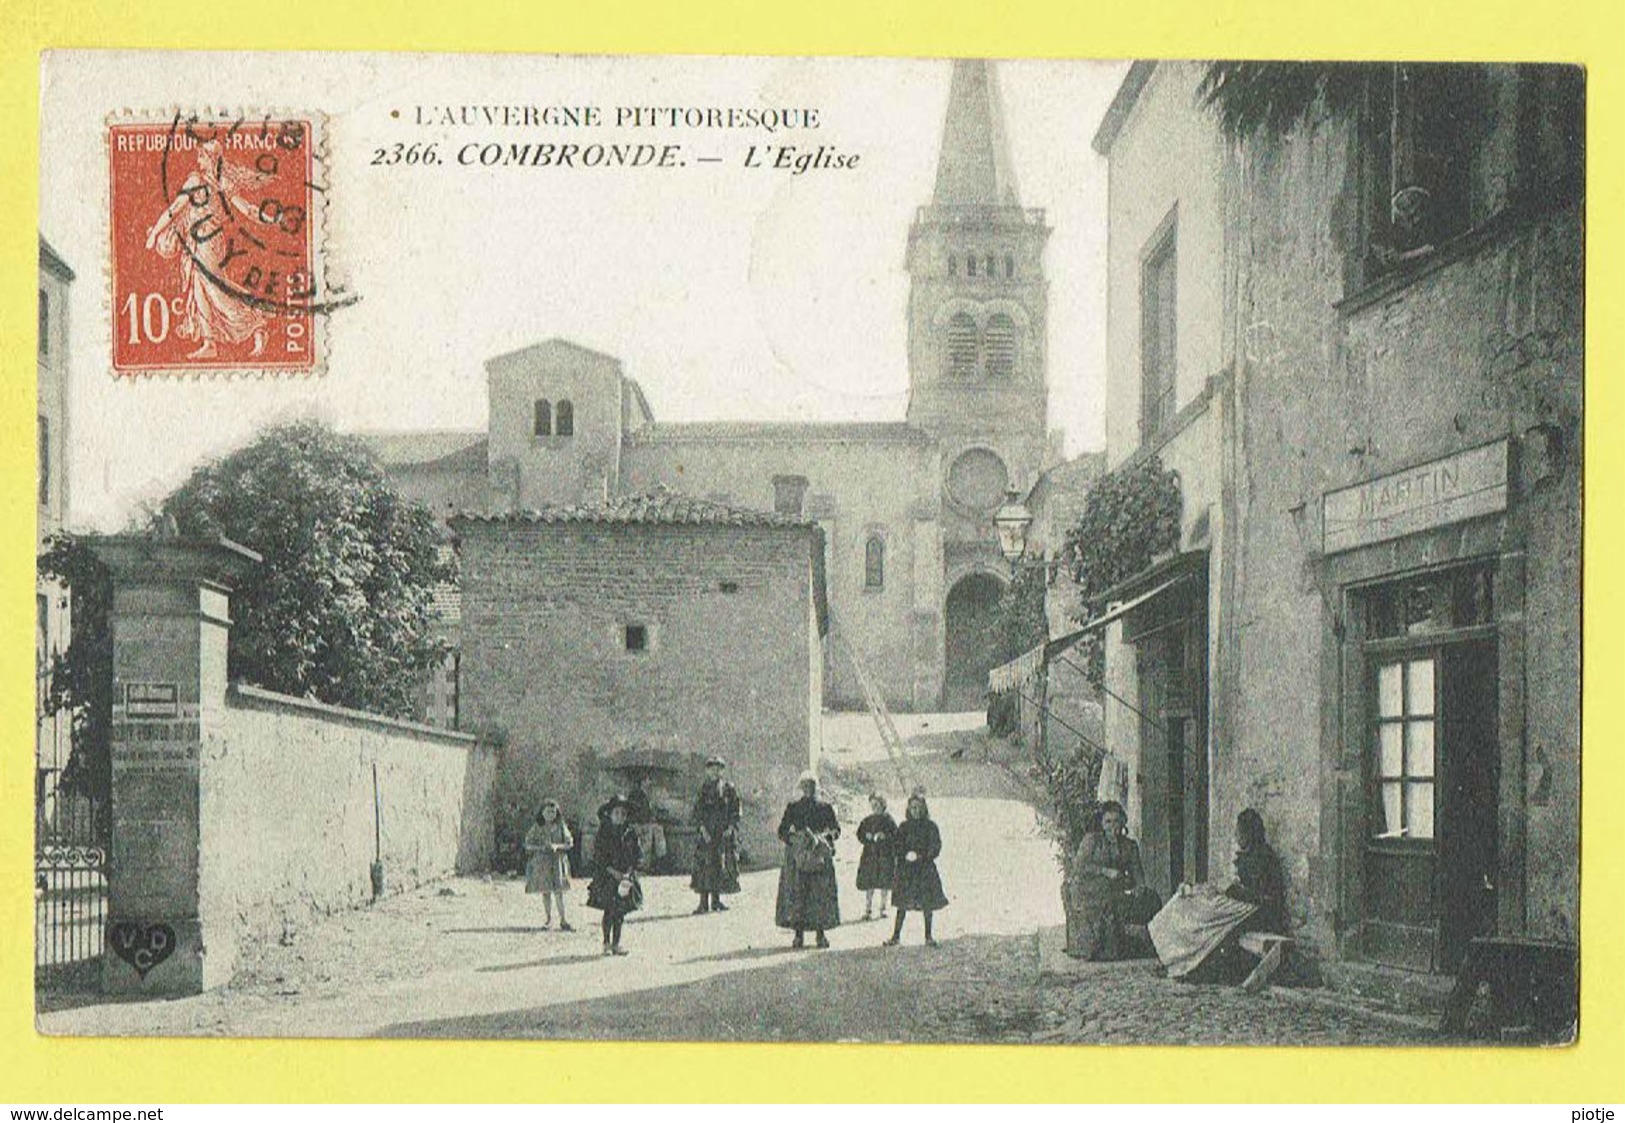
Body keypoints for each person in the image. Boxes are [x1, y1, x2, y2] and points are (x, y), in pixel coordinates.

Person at [144, 136, 270, 359]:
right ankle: (209, 342)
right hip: (198, 242)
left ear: (212, 159)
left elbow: (247, 210)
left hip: (209, 242)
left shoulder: (214, 184)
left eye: (202, 156)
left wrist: (267, 218)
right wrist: (155, 232)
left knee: (216, 289)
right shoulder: (202, 181)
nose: (198, 160)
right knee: (199, 287)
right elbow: (176, 210)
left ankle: (256, 321)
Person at [1147, 807, 1288, 981]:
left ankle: (1188, 964)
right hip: (1244, 904)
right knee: (1193, 904)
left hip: (1258, 911)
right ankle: (1173, 960)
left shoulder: (1264, 857)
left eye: (1240, 832)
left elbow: (1260, 896)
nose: (1236, 837)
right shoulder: (1249, 855)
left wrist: (1229, 891)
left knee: (1206, 916)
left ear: (1250, 833)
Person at [1065, 800, 1162, 961]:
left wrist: (1139, 888)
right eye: (1108, 822)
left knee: (1152, 898)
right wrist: (1104, 871)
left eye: (1116, 821)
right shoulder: (1092, 841)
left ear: (1123, 822)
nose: (1113, 826)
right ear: (1101, 824)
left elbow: (1138, 875)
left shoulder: (1129, 846)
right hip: (1090, 894)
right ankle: (1107, 945)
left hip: (1116, 894)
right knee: (1108, 899)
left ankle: (1156, 944)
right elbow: (1078, 867)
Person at [774, 771, 840, 948]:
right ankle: (798, 935)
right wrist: (797, 839)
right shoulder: (793, 807)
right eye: (806, 786)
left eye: (812, 786)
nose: (809, 789)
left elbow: (836, 830)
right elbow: (782, 831)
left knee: (819, 895)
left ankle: (820, 935)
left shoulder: (826, 808)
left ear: (816, 787)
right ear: (801, 788)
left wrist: (824, 838)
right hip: (798, 858)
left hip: (819, 855)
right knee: (798, 894)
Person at [885, 791, 949, 946]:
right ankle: (895, 936)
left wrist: (922, 856)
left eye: (919, 807)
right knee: (902, 904)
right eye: (913, 808)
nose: (916, 811)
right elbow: (896, 845)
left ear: (924, 809)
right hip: (906, 870)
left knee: (927, 903)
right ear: (908, 809)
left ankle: (928, 936)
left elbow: (936, 846)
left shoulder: (931, 826)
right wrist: (904, 855)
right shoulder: (903, 827)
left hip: (924, 869)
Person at [586, 795, 643, 956]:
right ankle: (606, 942)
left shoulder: (631, 834)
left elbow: (638, 855)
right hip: (608, 877)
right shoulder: (603, 834)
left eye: (623, 814)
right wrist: (612, 872)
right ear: (610, 815)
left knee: (620, 912)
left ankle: (617, 943)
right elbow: (599, 857)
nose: (620, 817)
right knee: (609, 910)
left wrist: (630, 872)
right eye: (616, 813)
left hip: (625, 878)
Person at [690, 755, 741, 914]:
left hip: (722, 833)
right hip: (707, 833)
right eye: (712, 768)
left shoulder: (728, 788)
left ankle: (716, 901)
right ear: (707, 770)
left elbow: (735, 809)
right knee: (704, 865)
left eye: (718, 768)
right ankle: (703, 903)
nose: (715, 771)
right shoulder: (703, 789)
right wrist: (703, 829)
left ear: (721, 770)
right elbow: (697, 812)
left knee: (720, 865)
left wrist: (731, 827)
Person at [523, 799, 574, 931]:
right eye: (548, 812)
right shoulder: (537, 828)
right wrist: (540, 848)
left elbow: (569, 843)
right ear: (542, 812)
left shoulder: (561, 827)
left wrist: (558, 846)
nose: (550, 815)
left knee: (559, 892)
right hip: (543, 863)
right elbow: (528, 844)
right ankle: (548, 919)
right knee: (545, 892)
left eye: (553, 812)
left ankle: (563, 919)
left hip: (557, 862)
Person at [856, 793, 898, 921]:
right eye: (873, 805)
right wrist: (866, 837)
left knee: (884, 883)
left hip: (885, 855)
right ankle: (868, 909)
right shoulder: (867, 820)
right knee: (870, 883)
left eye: (878, 805)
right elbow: (859, 834)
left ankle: (883, 908)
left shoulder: (889, 820)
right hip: (870, 855)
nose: (875, 808)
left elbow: (896, 836)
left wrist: (885, 836)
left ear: (883, 805)